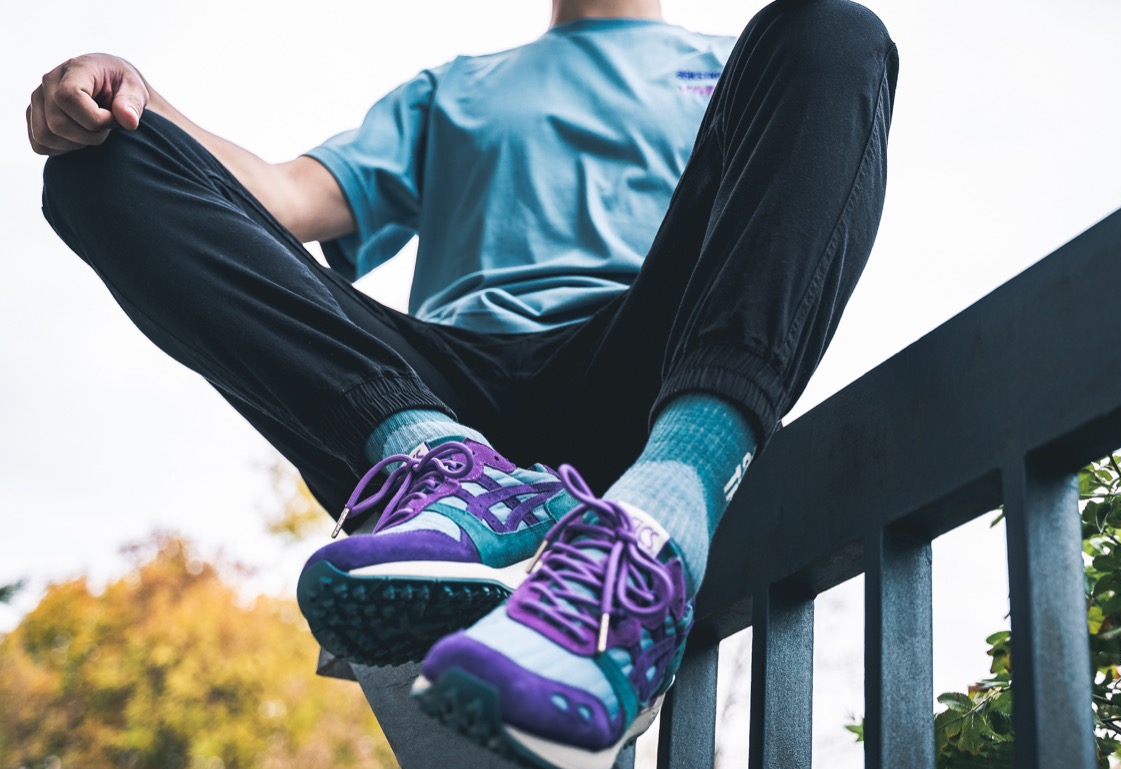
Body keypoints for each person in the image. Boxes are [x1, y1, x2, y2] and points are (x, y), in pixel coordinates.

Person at [29, 0, 897, 765]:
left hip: (642, 379)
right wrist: (137, 98)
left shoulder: (739, 60)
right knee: (96, 170)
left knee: (832, 32)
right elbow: (283, 196)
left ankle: (666, 507)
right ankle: (449, 470)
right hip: (435, 410)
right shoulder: (455, 89)